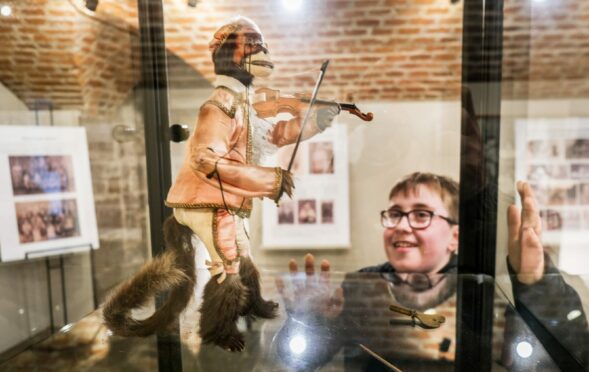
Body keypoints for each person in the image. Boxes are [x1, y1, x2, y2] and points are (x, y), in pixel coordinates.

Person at [276, 172, 589, 371]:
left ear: (455, 236)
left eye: (421, 215)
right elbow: (297, 360)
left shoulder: (480, 293)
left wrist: (536, 281)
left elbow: (569, 357)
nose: (401, 227)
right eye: (395, 214)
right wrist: (308, 318)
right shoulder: (359, 287)